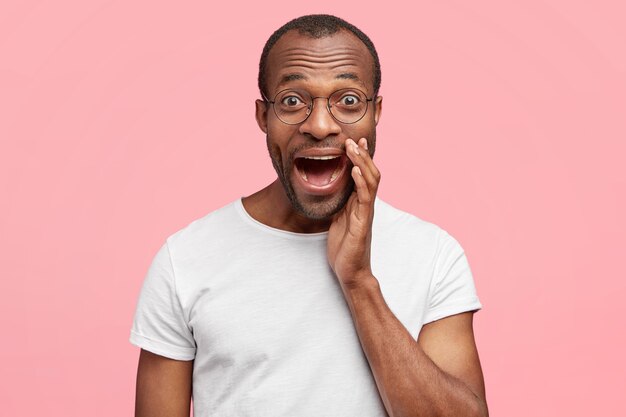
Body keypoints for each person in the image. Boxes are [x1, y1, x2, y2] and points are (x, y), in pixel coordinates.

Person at [130, 14, 488, 417]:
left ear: (377, 112)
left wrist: (358, 282)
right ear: (263, 116)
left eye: (348, 100)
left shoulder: (434, 255)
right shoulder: (185, 259)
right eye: (292, 101)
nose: (319, 126)